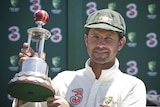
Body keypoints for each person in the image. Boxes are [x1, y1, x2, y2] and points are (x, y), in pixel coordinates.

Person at [12, 9, 146, 107]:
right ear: (86, 40)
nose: (100, 44)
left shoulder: (132, 87)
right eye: (95, 37)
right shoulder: (63, 80)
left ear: (120, 43)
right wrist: (30, 73)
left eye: (108, 38)